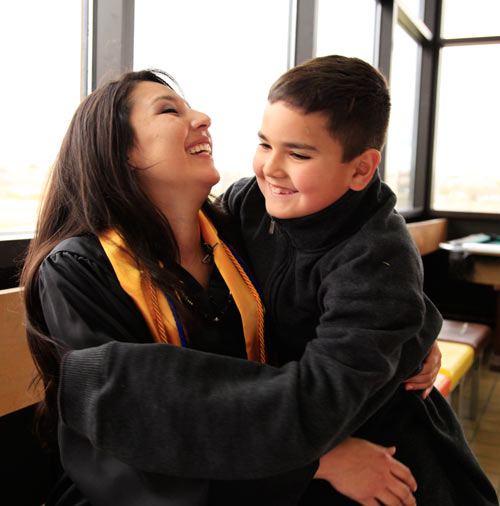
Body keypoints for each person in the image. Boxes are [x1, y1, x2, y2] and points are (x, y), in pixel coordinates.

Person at [54, 56, 499, 504]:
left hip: (358, 443)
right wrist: (319, 462)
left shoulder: (235, 230)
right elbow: (116, 432)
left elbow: (365, 284)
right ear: (119, 150)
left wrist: (412, 334)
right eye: (169, 110)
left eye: (298, 153)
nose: (203, 118)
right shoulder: (88, 268)